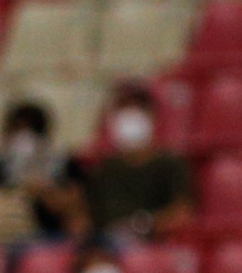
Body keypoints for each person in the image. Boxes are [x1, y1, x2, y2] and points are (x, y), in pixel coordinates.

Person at [77, 83, 194, 244]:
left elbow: (182, 213)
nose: (129, 116)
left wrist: (142, 225)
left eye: (137, 108)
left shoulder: (170, 164)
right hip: (107, 245)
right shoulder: (104, 168)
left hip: (152, 244)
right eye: (122, 109)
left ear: (152, 115)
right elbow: (86, 219)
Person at [0, 100, 84, 237]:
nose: (25, 139)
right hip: (9, 233)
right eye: (18, 131)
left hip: (53, 232)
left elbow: (75, 201)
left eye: (32, 131)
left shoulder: (62, 161)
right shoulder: (0, 163)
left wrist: (46, 192)